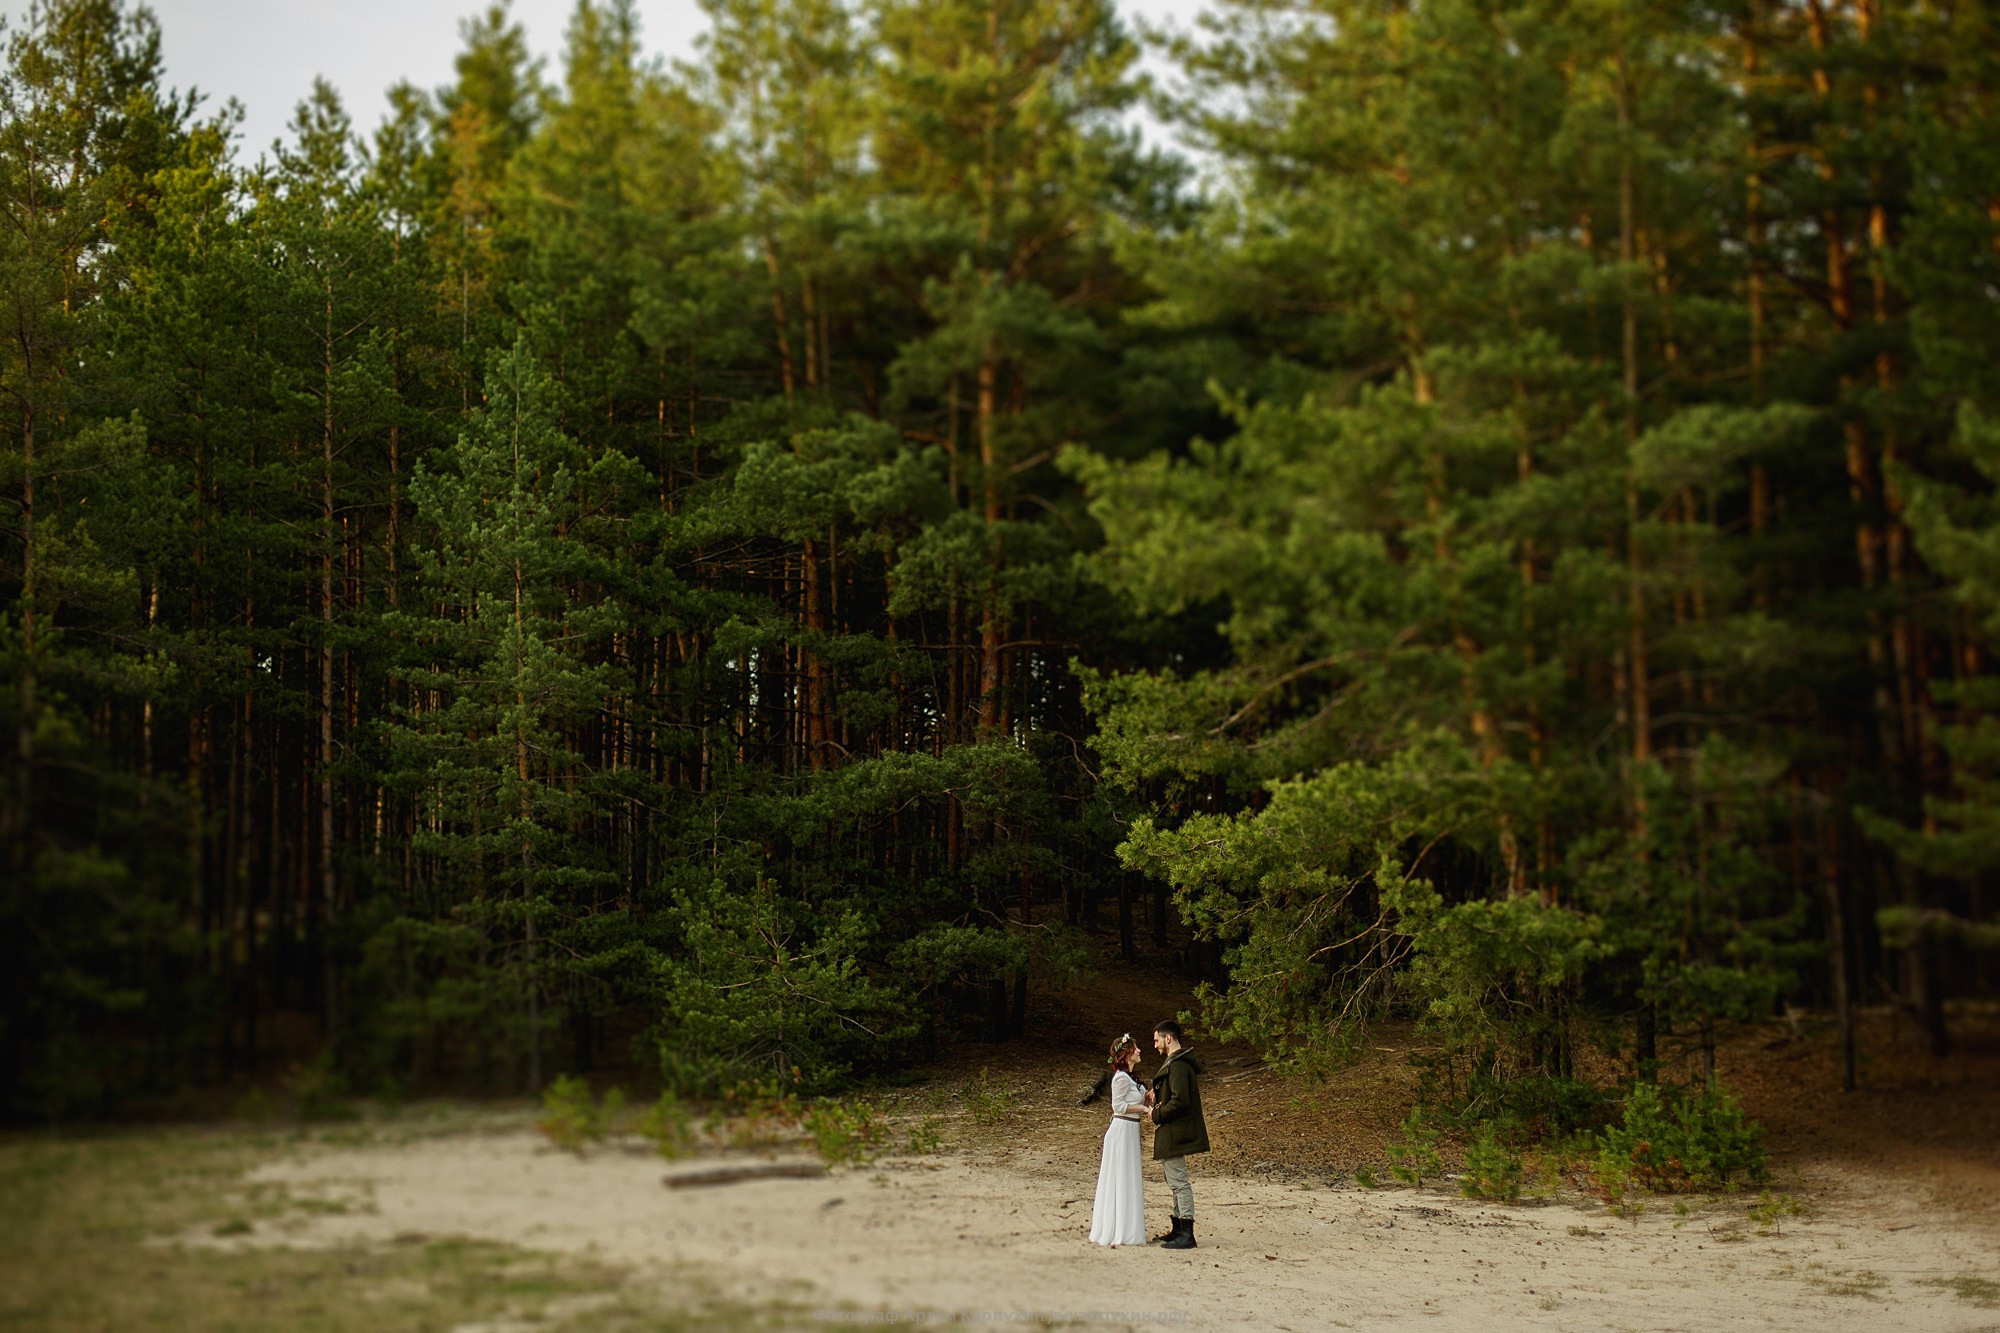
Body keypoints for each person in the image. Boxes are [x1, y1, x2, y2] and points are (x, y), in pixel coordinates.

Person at [1148, 1019, 1208, 1250]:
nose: (1155, 1045)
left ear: (1168, 1038)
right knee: (1174, 1182)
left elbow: (1180, 1100)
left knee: (1179, 1183)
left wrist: (1156, 1114)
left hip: (1176, 1131)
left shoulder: (1179, 1064)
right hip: (1172, 1131)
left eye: (1157, 1040)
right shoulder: (1175, 1063)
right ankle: (1177, 1228)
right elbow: (1173, 1093)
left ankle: (1187, 1233)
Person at [1087, 1033, 1148, 1247]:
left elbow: (1134, 1097)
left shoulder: (1131, 1078)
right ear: (1126, 1054)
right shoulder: (1120, 1078)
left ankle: (1127, 1228)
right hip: (1122, 1129)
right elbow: (1118, 1106)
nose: (1139, 1051)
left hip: (1130, 1130)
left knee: (1128, 1175)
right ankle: (1118, 1229)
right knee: (1121, 1175)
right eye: (1135, 1048)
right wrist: (1142, 1108)